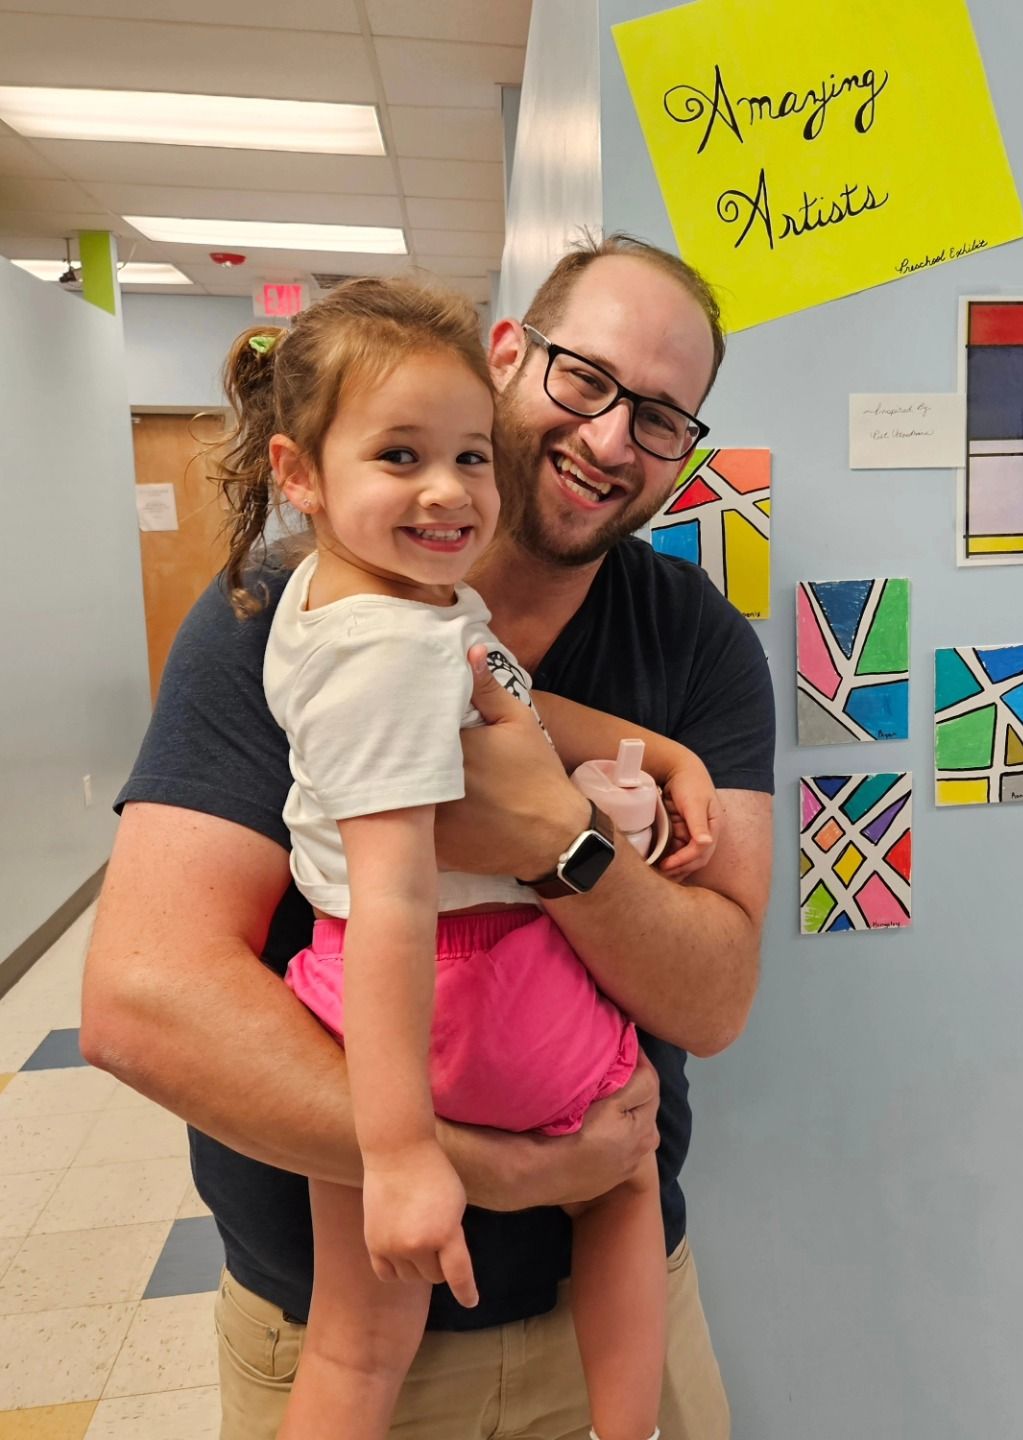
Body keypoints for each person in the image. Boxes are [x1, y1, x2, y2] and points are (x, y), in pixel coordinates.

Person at [80, 234, 775, 1440]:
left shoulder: (696, 645)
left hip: (612, 1314)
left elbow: (714, 997)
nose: (613, 440)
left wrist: (557, 839)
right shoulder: (279, 615)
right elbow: (140, 1005)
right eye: (586, 380)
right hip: (338, 1322)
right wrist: (490, 1168)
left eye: (662, 418)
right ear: (509, 353)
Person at [219, 276, 721, 1440]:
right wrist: (399, 1153)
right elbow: (397, 890)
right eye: (400, 457)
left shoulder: (340, 600)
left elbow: (517, 701)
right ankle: (626, 1426)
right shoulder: (396, 650)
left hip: (352, 1001)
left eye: (467, 460)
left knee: (356, 1343)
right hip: (472, 983)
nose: (448, 493)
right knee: (630, 1163)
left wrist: (660, 749)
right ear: (300, 473)